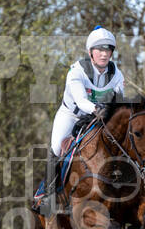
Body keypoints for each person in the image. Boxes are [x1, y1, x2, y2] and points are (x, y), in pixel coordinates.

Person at [39, 26, 125, 216]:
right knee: (55, 148)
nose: (104, 54)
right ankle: (47, 195)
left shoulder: (117, 74)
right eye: (99, 50)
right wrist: (97, 109)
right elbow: (80, 101)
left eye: (108, 50)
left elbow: (119, 102)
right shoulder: (77, 71)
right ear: (90, 52)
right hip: (72, 115)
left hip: (100, 118)